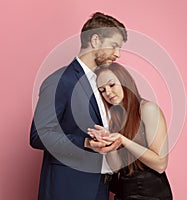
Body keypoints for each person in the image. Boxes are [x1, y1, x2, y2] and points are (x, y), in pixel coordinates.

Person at [30, 12, 127, 200]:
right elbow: (38, 135)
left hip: (99, 186)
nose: (118, 54)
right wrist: (86, 143)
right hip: (69, 189)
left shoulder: (101, 83)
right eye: (114, 46)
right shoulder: (60, 80)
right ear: (96, 40)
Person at [88, 63, 173, 200]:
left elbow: (160, 164)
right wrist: (109, 141)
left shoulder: (147, 109)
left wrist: (124, 140)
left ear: (124, 81)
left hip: (152, 194)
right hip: (125, 192)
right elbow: (116, 167)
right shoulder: (115, 118)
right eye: (102, 90)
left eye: (112, 85)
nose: (108, 93)